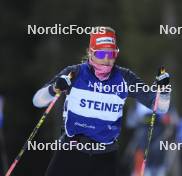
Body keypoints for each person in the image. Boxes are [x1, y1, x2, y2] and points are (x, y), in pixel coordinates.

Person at [32, 26, 171, 176]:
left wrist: (164, 90)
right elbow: (37, 101)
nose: (106, 59)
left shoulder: (125, 78)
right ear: (90, 52)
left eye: (111, 54)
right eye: (101, 53)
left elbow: (161, 107)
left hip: (105, 156)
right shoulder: (74, 73)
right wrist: (54, 89)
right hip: (71, 152)